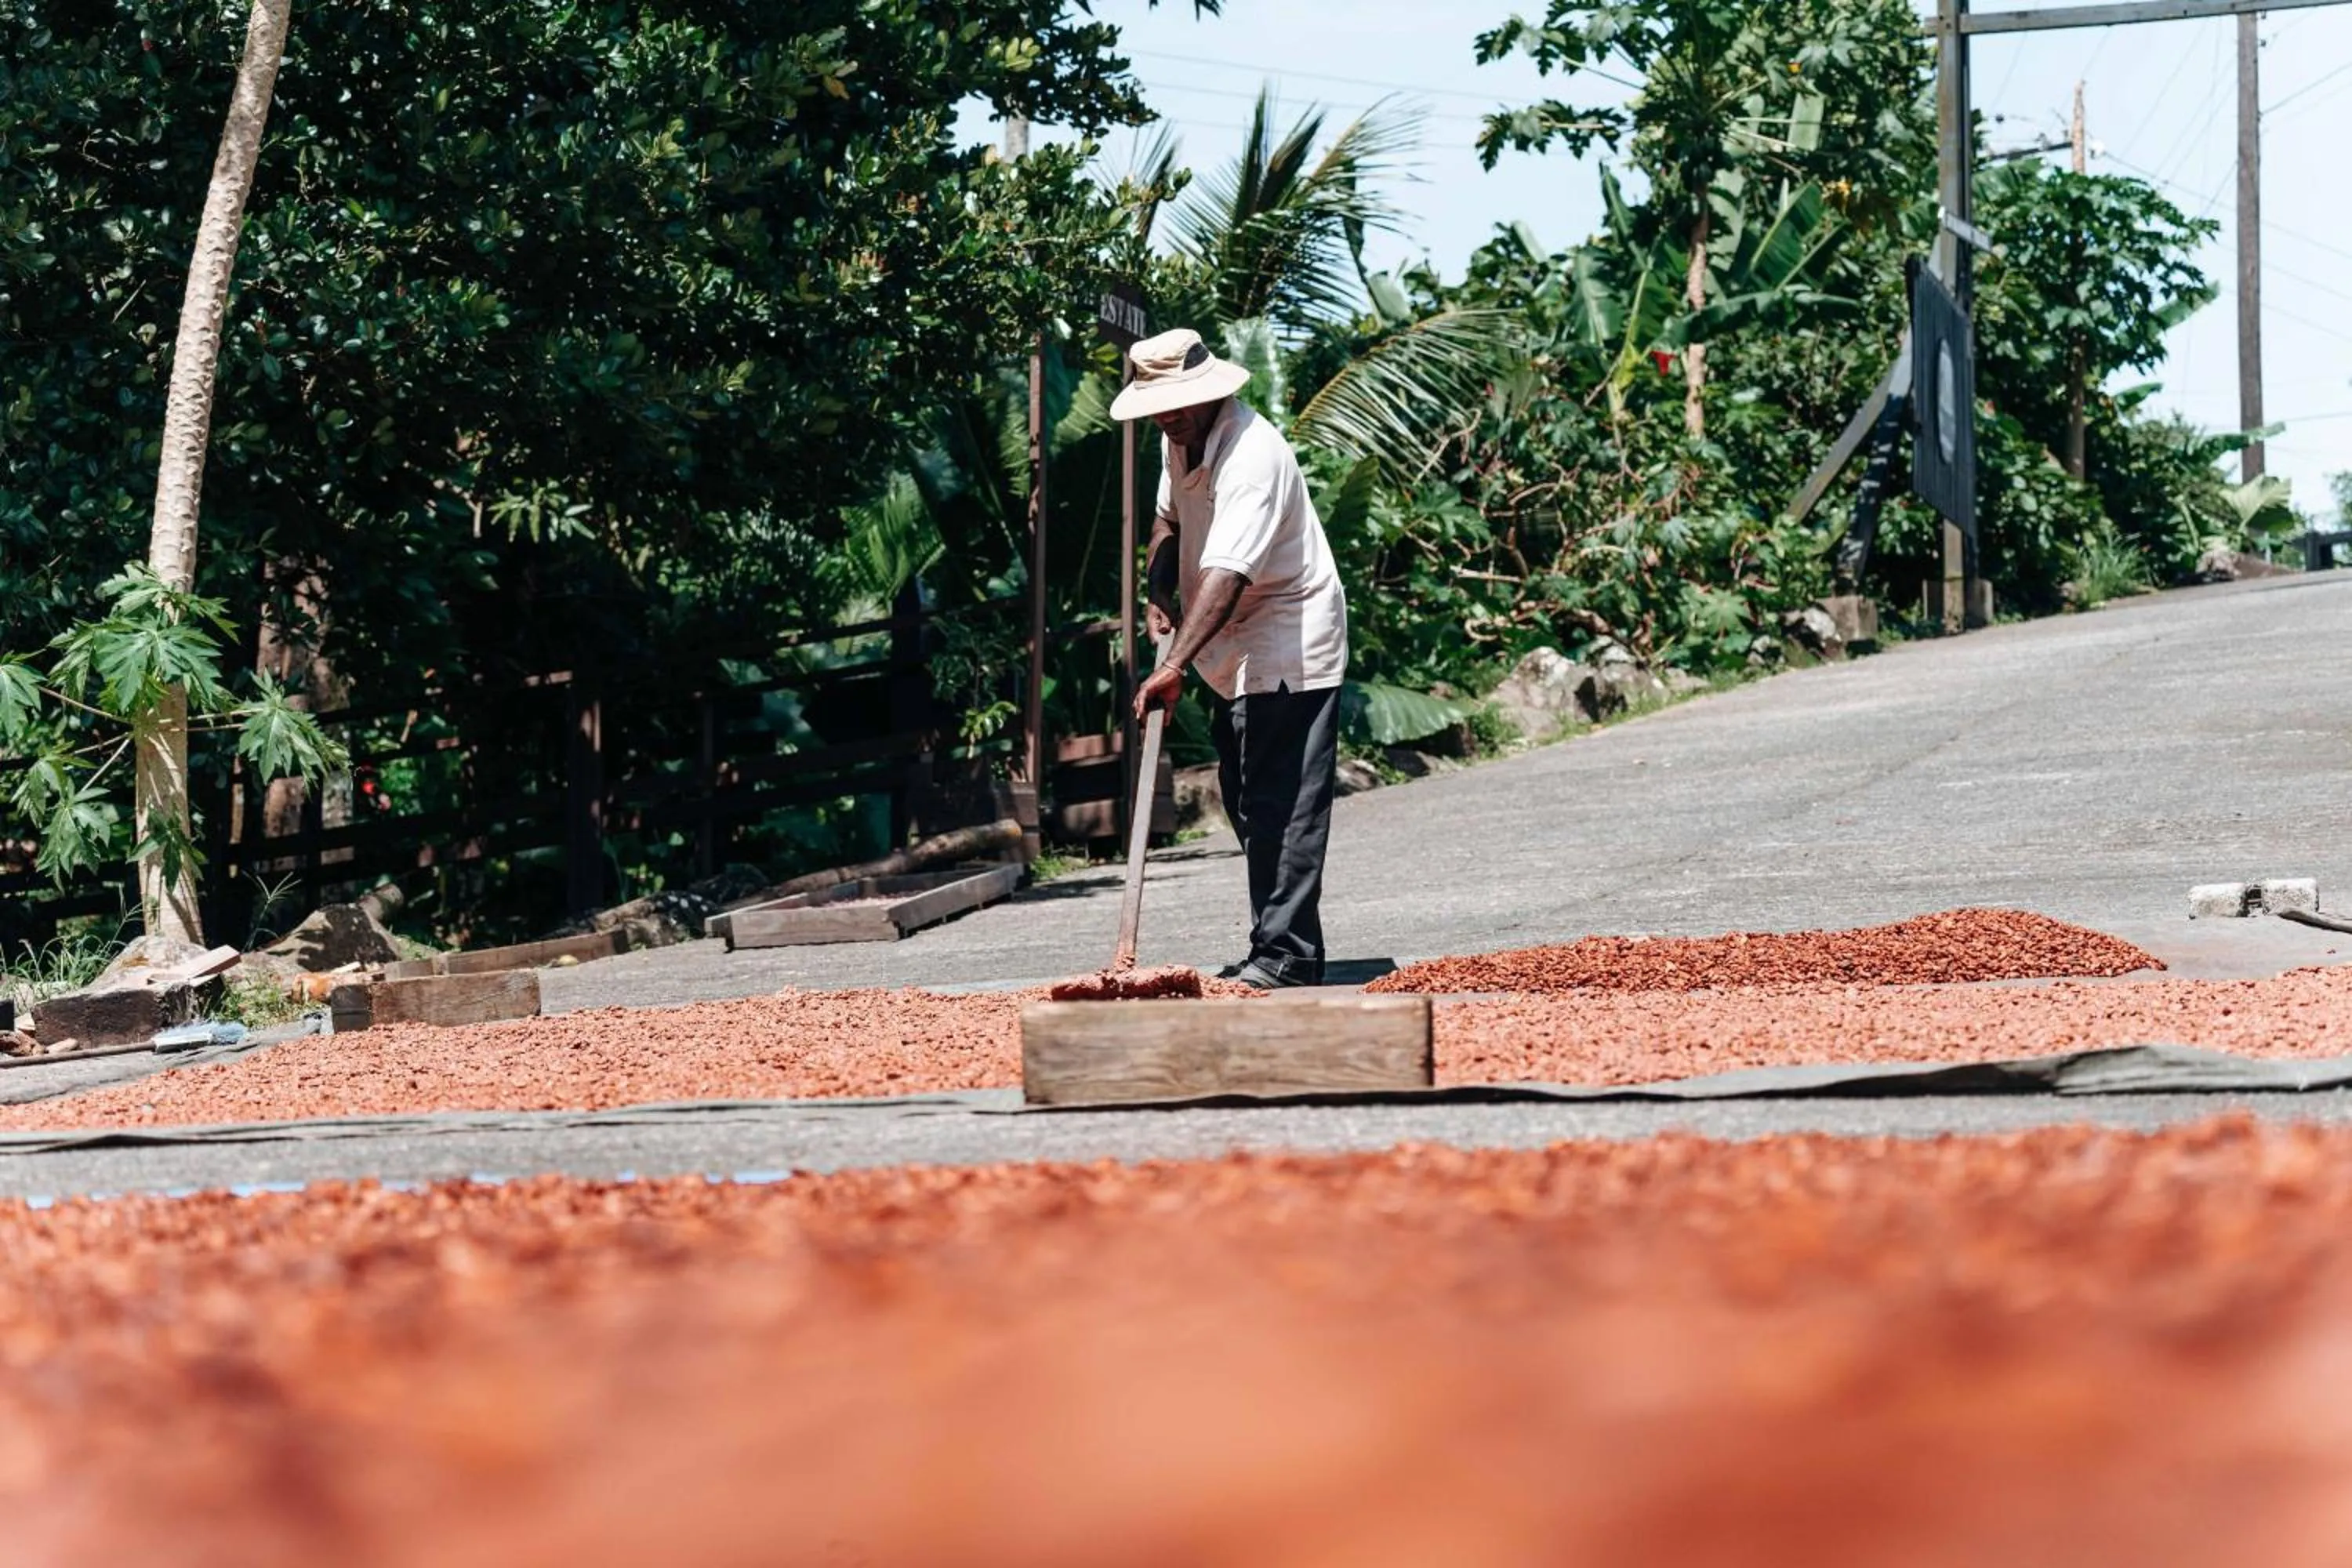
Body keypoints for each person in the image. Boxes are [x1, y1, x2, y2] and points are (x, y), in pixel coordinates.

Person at [1110, 327, 1348, 990]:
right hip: (1226, 640)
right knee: (1244, 797)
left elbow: (1228, 574)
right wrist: (1159, 589)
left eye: (1178, 403)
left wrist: (1171, 665)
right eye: (1158, 404)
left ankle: (1287, 954)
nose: (1167, 414)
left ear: (1210, 391)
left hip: (1287, 632)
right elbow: (1168, 522)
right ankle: (1280, 935)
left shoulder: (1253, 455)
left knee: (1281, 802)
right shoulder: (1177, 437)